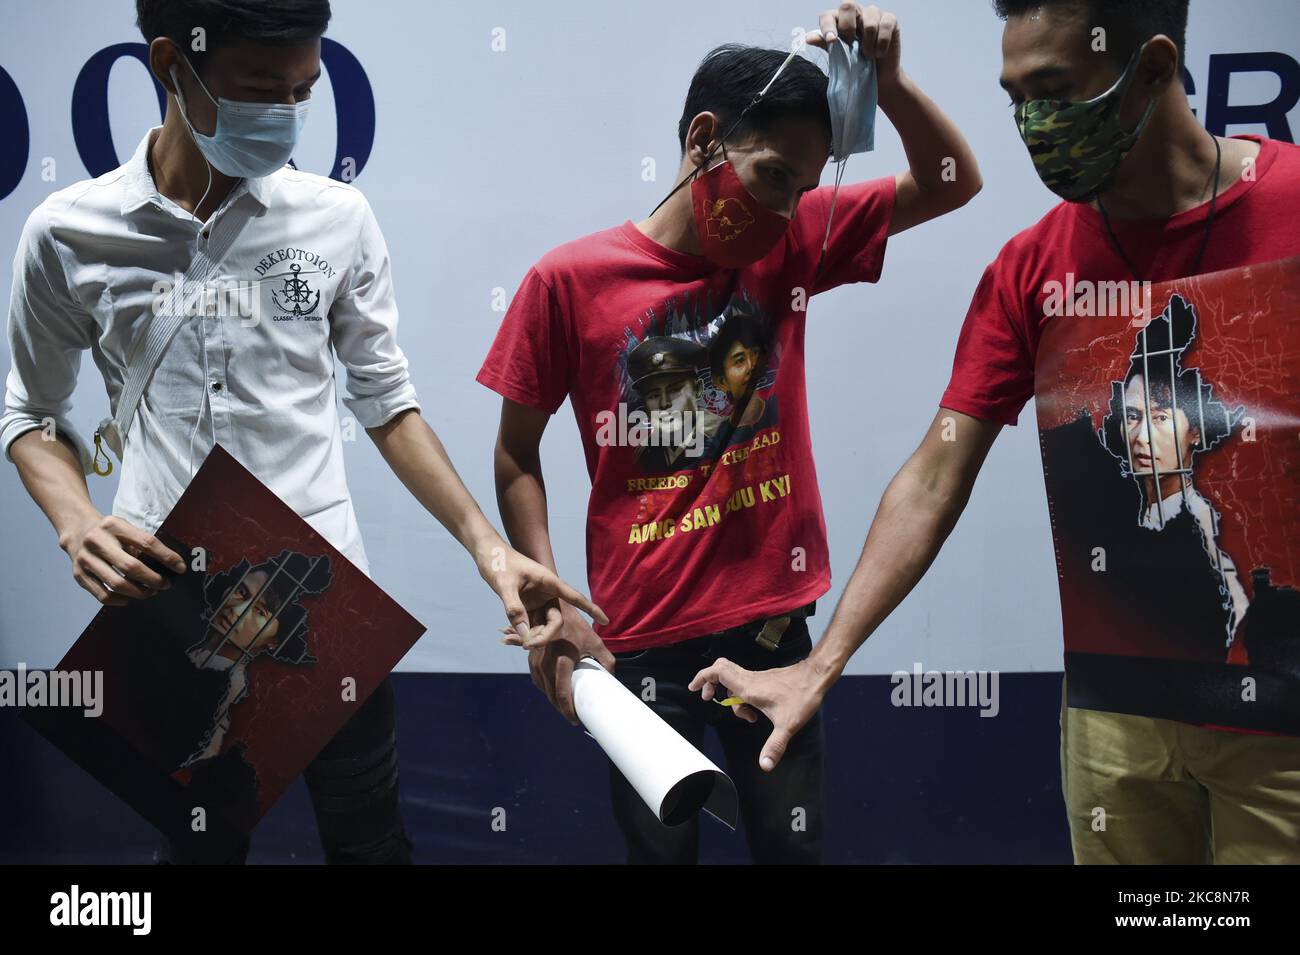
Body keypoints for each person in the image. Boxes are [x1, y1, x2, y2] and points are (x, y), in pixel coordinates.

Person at [691, 0, 1300, 864]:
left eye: (1054, 89)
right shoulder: (1033, 266)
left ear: (1156, 69)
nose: (1032, 123)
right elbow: (936, 474)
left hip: (1284, 719)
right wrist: (820, 663)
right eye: (1017, 96)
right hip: (1117, 721)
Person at [1, 0, 604, 864]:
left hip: (324, 607)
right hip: (168, 607)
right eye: (259, 89)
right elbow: (32, 413)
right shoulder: (68, 234)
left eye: (303, 90)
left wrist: (486, 546)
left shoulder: (335, 220)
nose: (285, 114)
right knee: (200, 849)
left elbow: (387, 403)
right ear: (173, 62)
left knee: (371, 843)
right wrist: (75, 520)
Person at [482, 3, 981, 863]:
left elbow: (949, 180)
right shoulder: (567, 283)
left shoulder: (791, 245)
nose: (788, 208)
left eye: (804, 185)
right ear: (704, 140)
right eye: (773, 175)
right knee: (661, 857)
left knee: (794, 853)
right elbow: (515, 452)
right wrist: (551, 592)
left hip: (772, 634)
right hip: (634, 641)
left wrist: (889, 84)